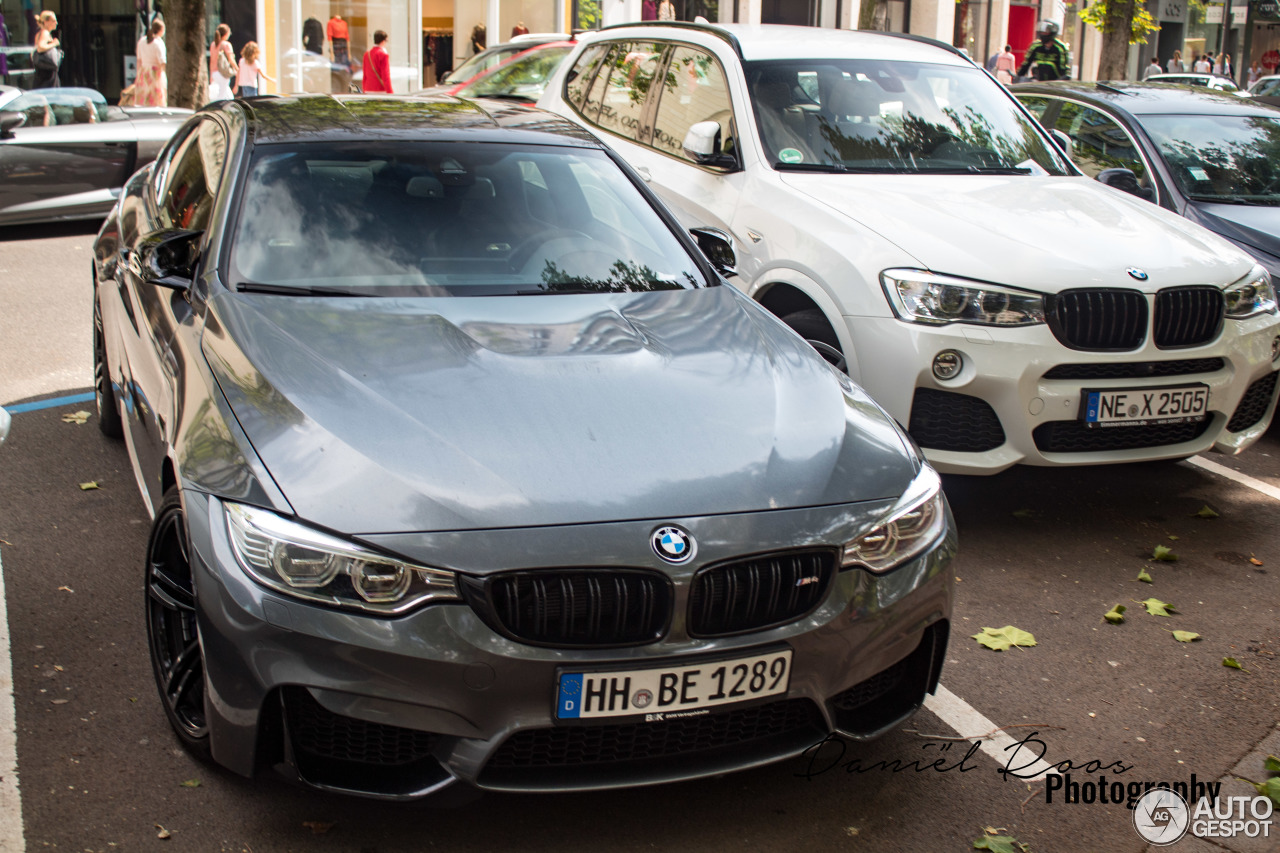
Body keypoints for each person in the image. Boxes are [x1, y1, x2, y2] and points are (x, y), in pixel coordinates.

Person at [134, 19, 167, 106]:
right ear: (161, 30)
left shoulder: (141, 41)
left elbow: (139, 60)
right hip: (155, 74)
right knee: (156, 101)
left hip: (143, 72)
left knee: (143, 100)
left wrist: (138, 76)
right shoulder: (159, 43)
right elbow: (162, 62)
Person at [32, 10, 60, 89]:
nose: (56, 23)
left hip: (44, 73)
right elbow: (40, 48)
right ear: (46, 22)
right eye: (54, 20)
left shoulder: (41, 33)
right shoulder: (45, 33)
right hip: (46, 75)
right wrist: (54, 43)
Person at [208, 23, 236, 101]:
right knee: (222, 96)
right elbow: (231, 60)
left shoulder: (213, 44)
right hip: (222, 73)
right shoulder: (226, 44)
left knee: (226, 95)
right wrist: (237, 69)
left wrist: (211, 76)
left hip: (214, 74)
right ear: (226, 34)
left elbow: (212, 61)